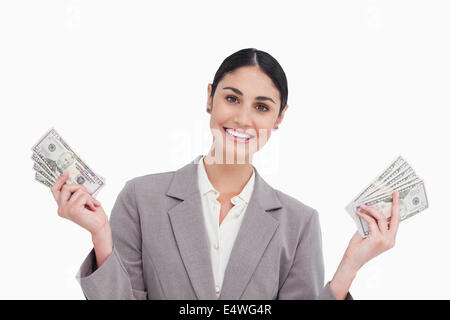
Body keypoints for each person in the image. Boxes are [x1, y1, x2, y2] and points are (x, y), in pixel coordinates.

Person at [50, 48, 400, 300]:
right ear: (210, 98)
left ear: (279, 118)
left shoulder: (300, 223)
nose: (243, 119)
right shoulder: (141, 199)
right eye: (232, 99)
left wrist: (348, 269)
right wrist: (100, 236)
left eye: (262, 107)